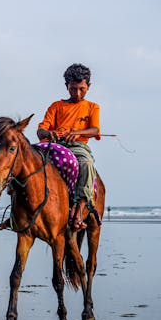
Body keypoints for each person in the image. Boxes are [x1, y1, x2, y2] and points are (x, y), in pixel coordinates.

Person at [37, 63, 101, 231]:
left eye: (82, 89)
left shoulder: (92, 107)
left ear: (88, 86)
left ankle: (80, 208)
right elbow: (41, 130)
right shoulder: (56, 106)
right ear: (67, 86)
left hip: (78, 146)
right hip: (55, 146)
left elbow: (95, 130)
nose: (77, 93)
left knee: (86, 164)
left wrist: (78, 132)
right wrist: (49, 134)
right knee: (25, 161)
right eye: (73, 89)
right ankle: (17, 211)